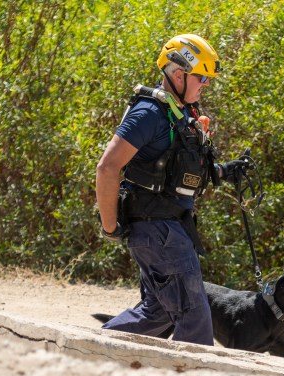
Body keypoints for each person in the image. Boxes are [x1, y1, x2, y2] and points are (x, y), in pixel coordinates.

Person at [95, 34, 248, 345]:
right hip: (158, 231)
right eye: (202, 78)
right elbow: (107, 168)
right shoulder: (148, 114)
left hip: (170, 230)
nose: (206, 84)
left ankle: (91, 351)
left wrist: (224, 171)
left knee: (157, 312)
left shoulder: (181, 113)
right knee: (195, 320)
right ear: (179, 74)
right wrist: (110, 226)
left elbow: (179, 172)